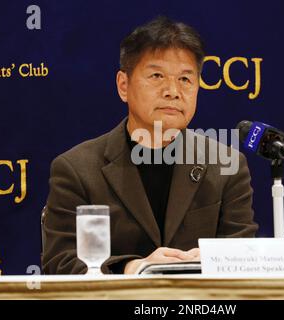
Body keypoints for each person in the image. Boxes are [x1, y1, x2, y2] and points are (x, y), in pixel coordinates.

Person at [42, 16, 258, 275]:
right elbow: (60, 264)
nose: (172, 91)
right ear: (124, 86)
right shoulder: (77, 169)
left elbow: (245, 257)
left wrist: (216, 260)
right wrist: (134, 268)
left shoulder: (226, 165)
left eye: (185, 79)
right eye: (157, 76)